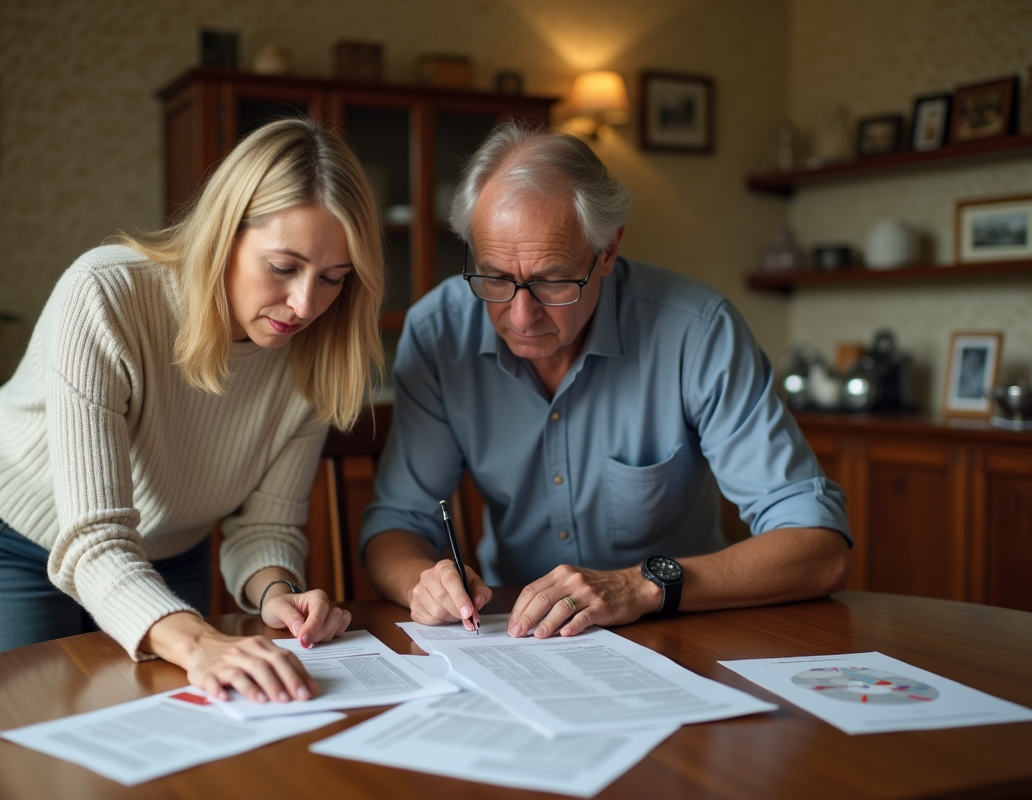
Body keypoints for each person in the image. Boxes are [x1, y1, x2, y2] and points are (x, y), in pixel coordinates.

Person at [0, 117, 384, 705]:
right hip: (13, 536)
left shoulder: (322, 356)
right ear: (225, 233)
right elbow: (94, 539)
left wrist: (280, 591)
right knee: (31, 746)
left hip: (166, 547)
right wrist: (198, 640)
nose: (305, 304)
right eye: (282, 267)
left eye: (333, 279)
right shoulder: (106, 293)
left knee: (179, 736)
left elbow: (264, 529)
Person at [360, 123, 851, 640]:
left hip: (677, 627)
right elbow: (395, 524)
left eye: (552, 280)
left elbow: (820, 548)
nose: (520, 316)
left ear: (609, 250)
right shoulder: (439, 332)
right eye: (495, 278)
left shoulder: (697, 331)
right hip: (512, 633)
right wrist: (426, 582)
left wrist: (638, 587)